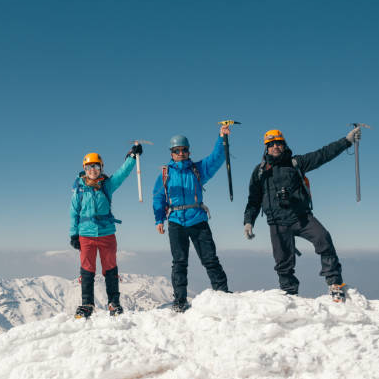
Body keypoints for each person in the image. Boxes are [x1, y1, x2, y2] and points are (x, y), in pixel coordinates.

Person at [243, 127, 362, 302]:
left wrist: (346, 141)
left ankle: (335, 284)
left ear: (284, 145)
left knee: (324, 239)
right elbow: (253, 200)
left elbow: (323, 154)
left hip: (301, 217)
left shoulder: (296, 163)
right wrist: (248, 222)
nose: (275, 146)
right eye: (271, 144)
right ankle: (289, 295)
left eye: (279, 143)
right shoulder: (260, 172)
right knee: (283, 263)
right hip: (277, 222)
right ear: (266, 148)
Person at [152, 124, 232, 313]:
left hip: (197, 219)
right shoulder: (165, 174)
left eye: (184, 150)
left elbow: (216, 158)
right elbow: (158, 197)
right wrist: (159, 219)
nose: (181, 153)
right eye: (177, 150)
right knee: (179, 262)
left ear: (188, 151)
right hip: (176, 221)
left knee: (210, 259)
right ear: (171, 153)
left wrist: (222, 138)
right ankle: (180, 300)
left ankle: (222, 293)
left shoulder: (197, 170)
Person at [70, 144, 142, 318]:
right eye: (89, 167)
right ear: (84, 169)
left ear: (101, 168)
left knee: (110, 268)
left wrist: (132, 157)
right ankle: (87, 304)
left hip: (107, 234)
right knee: (87, 270)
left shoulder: (106, 186)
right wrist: (74, 233)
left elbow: (122, 173)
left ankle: (114, 303)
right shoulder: (79, 190)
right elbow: (74, 212)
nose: (92, 170)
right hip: (85, 235)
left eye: (95, 166)